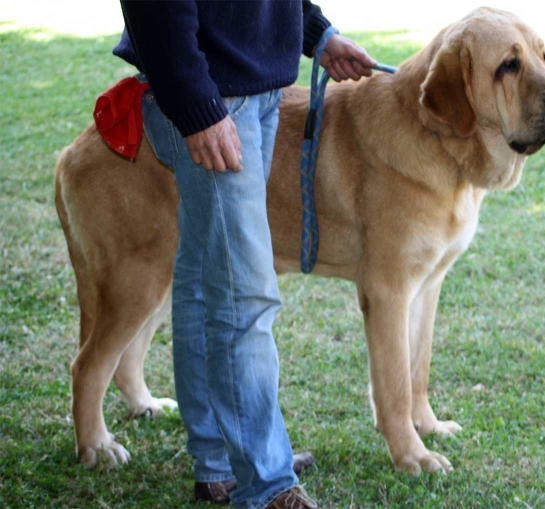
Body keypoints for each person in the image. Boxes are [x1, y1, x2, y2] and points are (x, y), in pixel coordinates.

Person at [114, 1, 376, 507]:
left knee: (202, 275)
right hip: (211, 94)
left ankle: (220, 464)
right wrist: (196, 107)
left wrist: (317, 33)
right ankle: (266, 482)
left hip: (252, 90)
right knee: (246, 294)